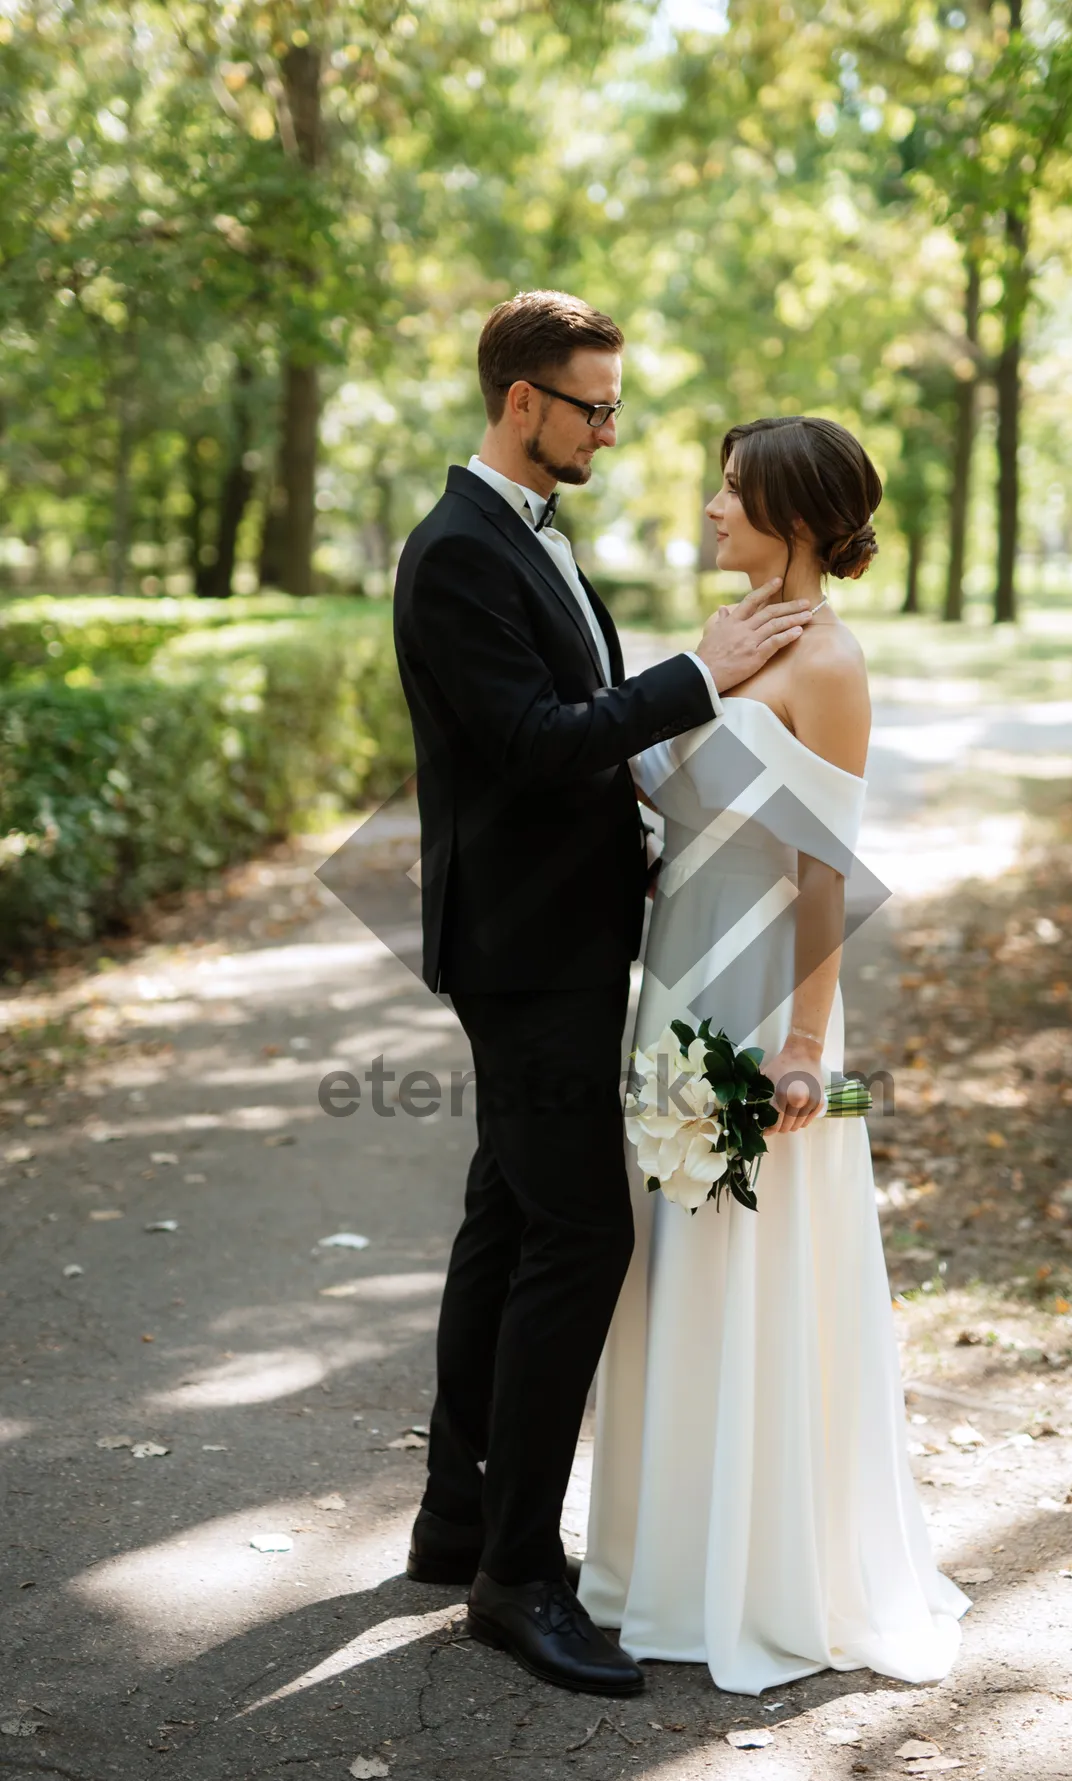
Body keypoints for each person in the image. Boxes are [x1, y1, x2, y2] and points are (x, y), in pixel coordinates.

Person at [391, 295, 815, 1696]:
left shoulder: (528, 541)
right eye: (594, 407)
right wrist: (701, 676)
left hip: (567, 926)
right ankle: (518, 1575)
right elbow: (527, 745)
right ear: (523, 402)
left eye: (615, 406)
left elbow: (573, 751)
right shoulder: (456, 552)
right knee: (582, 1238)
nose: (610, 430)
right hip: (524, 955)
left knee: (508, 1215)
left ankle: (457, 1519)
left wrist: (643, 835)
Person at [579, 414, 970, 1695]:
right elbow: (653, 782)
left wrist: (806, 1045)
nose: (707, 507)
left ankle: (758, 1567)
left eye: (732, 493)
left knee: (750, 1252)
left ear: (794, 520)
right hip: (669, 979)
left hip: (759, 1004)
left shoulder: (831, 665)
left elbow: (820, 874)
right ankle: (661, 1558)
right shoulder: (728, 640)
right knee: (663, 1258)